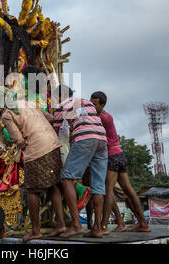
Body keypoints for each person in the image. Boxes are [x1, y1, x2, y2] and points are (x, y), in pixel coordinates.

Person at [0, 85, 66, 242]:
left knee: (31, 190)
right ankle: (61, 224)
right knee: (53, 185)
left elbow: (17, 139)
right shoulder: (29, 103)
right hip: (53, 144)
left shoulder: (7, 114)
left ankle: (35, 230)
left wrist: (22, 145)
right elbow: (50, 118)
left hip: (37, 150)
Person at [90, 91, 150, 234]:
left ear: (102, 105)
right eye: (90, 103)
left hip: (111, 156)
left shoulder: (102, 118)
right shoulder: (105, 116)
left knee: (107, 190)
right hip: (119, 155)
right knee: (128, 190)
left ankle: (103, 226)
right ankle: (143, 223)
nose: (92, 107)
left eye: (95, 104)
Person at [52, 85, 108, 238]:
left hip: (85, 139)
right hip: (102, 139)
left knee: (66, 178)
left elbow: (55, 135)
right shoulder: (86, 102)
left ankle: (76, 224)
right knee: (98, 184)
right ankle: (97, 228)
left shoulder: (60, 106)